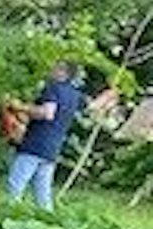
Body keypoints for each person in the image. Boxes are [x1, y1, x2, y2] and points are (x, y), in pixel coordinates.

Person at [6, 61, 116, 210]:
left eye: (55, 68)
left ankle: (7, 219)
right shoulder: (75, 95)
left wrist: (20, 107)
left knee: (15, 187)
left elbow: (47, 112)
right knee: (43, 197)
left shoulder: (53, 88)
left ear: (63, 73)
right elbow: (93, 107)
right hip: (52, 151)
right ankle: (49, 225)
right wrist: (109, 95)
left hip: (34, 146)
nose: (51, 70)